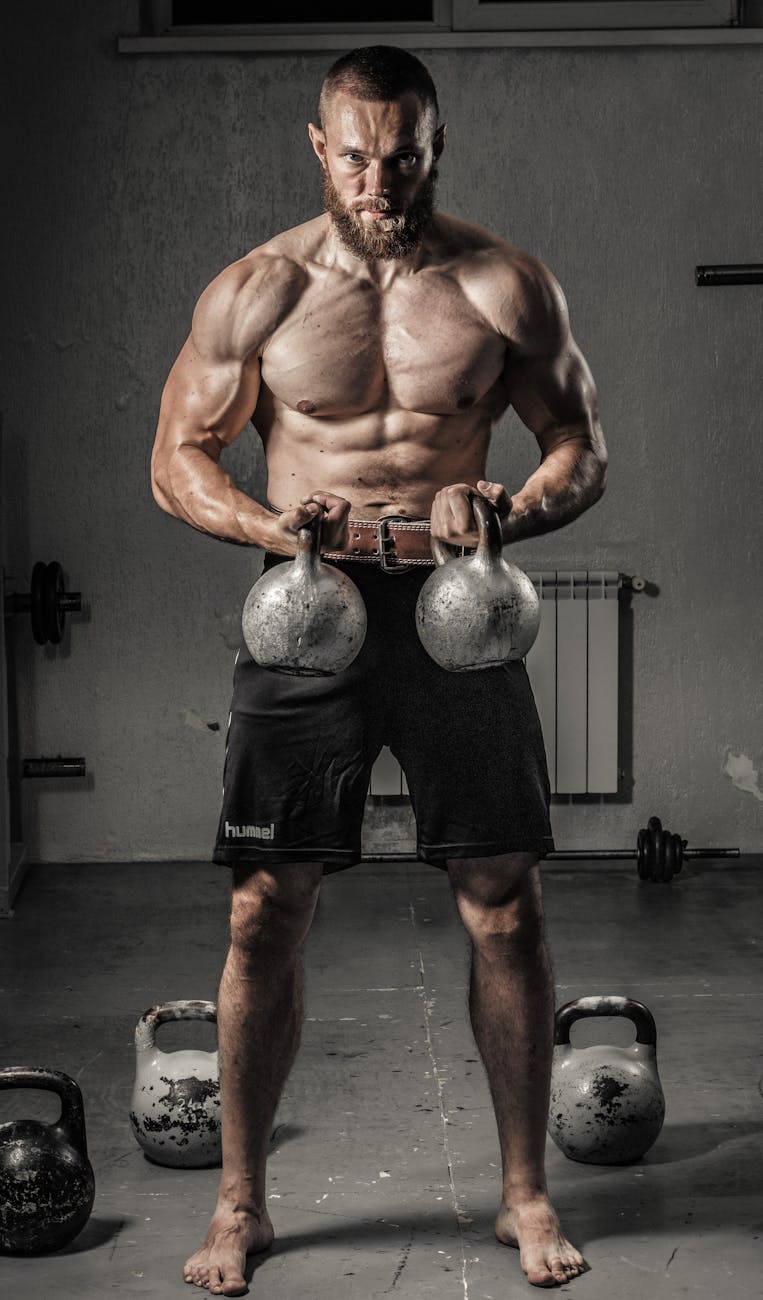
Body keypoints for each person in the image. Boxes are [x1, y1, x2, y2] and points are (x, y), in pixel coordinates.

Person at [151, 45, 607, 1296]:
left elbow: (579, 444)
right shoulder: (259, 289)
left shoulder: (503, 283)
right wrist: (261, 524)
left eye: (399, 153)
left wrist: (510, 501)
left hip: (458, 610)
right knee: (262, 909)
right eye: (353, 153)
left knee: (502, 901)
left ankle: (523, 1195)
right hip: (310, 610)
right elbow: (177, 456)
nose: (377, 177)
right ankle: (241, 1205)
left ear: (435, 143)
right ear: (318, 147)